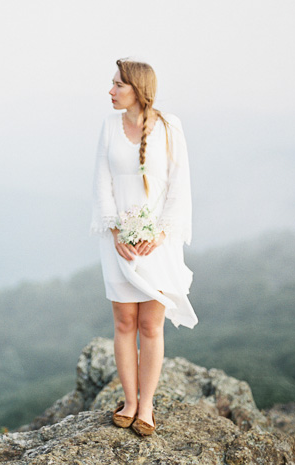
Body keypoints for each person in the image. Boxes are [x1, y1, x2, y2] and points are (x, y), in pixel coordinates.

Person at [90, 59, 197, 436]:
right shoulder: (108, 126)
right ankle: (129, 400)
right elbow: (102, 183)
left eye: (118, 84)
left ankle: (147, 405)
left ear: (137, 89)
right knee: (124, 322)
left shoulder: (170, 127)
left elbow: (179, 186)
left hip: (158, 241)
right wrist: (117, 230)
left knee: (151, 325)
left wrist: (160, 233)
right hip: (117, 239)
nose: (111, 90)